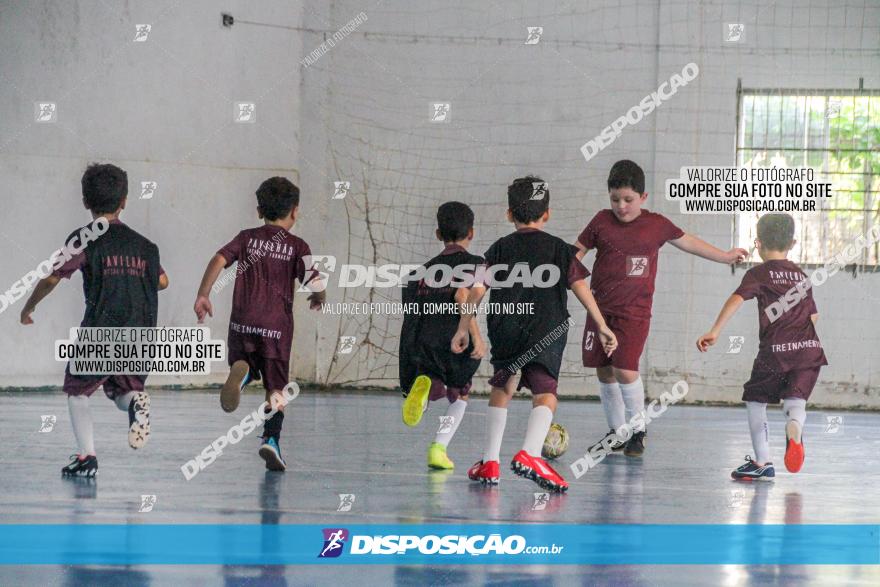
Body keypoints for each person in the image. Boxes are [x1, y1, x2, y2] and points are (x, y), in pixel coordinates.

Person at [452, 176, 617, 493]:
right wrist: (602, 324)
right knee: (546, 394)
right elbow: (581, 287)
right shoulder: (558, 249)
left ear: (509, 214)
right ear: (548, 214)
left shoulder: (499, 248)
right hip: (545, 329)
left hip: (505, 329)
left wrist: (463, 328)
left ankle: (489, 462)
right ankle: (530, 452)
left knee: (503, 387)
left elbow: (476, 291)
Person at [576, 160, 747, 457]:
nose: (621, 206)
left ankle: (638, 430)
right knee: (604, 370)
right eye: (615, 199)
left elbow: (689, 242)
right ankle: (617, 433)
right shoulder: (601, 222)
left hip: (634, 314)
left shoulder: (656, 225)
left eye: (628, 200)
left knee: (624, 369)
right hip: (599, 312)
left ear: (643, 198)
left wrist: (725, 256)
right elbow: (576, 253)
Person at [21, 163, 168, 477]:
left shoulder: (85, 237)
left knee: (78, 391)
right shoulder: (145, 246)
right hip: (140, 332)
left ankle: (87, 457)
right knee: (122, 394)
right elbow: (163, 282)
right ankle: (137, 403)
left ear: (85, 201)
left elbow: (51, 278)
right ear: (124, 200)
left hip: (102, 329)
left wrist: (28, 308)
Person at [194, 177, 324, 471]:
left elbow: (218, 259)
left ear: (258, 210)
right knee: (276, 388)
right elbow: (315, 281)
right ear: (295, 211)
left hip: (243, 321)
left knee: (244, 361)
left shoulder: (246, 237)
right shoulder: (297, 245)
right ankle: (271, 439)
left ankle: (242, 374)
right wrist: (318, 296)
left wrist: (204, 294)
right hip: (276, 327)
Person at [697, 213, 827, 480]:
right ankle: (794, 428)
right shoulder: (801, 275)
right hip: (810, 351)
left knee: (756, 400)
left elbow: (736, 299)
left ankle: (762, 462)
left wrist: (715, 330)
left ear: (758, 243)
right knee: (795, 401)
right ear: (792, 243)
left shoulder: (758, 273)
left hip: (775, 352)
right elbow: (814, 316)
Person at [400, 202, 485, 470]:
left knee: (430, 375)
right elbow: (462, 296)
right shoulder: (477, 264)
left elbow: (410, 314)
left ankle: (427, 388)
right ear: (471, 233)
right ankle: (439, 448)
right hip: (453, 339)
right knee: (460, 394)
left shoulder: (417, 275)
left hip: (422, 342)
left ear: (438, 234)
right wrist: (475, 336)